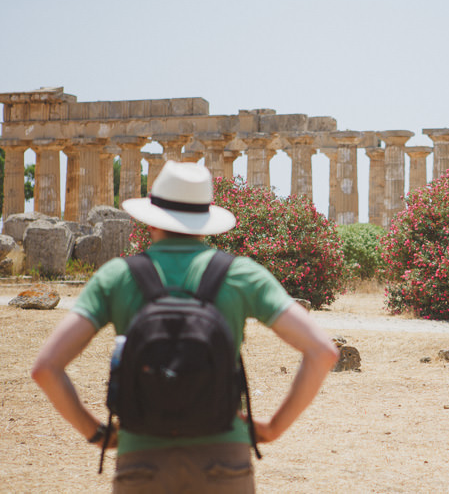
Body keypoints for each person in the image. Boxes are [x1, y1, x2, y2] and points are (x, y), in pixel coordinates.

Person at [31, 161, 340, 493]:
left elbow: (45, 368)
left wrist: (97, 434)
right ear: (205, 223)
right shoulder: (240, 274)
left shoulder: (117, 276)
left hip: (141, 458)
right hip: (224, 457)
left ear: (149, 220)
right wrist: (274, 428)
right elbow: (322, 351)